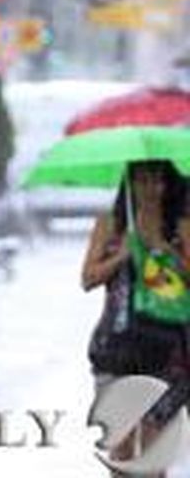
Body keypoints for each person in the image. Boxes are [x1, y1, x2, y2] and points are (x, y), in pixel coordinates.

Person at [82, 160, 190, 473]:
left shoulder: (180, 227)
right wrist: (123, 255)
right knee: (120, 453)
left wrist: (161, 249)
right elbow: (88, 279)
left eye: (157, 180)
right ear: (129, 183)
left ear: (168, 184)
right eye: (142, 180)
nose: (150, 189)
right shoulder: (110, 224)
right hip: (116, 348)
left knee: (154, 457)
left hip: (168, 353)